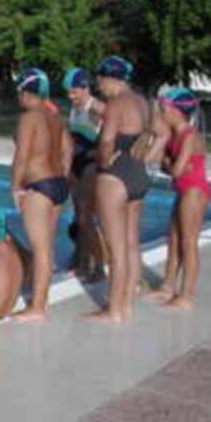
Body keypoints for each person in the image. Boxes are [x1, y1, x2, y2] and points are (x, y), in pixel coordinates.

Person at [87, 55, 155, 323]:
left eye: (99, 82)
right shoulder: (142, 102)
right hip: (138, 173)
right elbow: (150, 134)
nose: (99, 88)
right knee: (130, 244)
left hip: (115, 177)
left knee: (116, 250)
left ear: (108, 78)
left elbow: (106, 140)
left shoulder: (117, 103)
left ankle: (113, 310)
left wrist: (104, 162)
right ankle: (125, 305)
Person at [9, 68, 72, 322]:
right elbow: (68, 149)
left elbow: (22, 155)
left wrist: (15, 187)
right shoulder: (54, 116)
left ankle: (37, 307)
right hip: (57, 185)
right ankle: (37, 295)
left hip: (39, 187)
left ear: (25, 92)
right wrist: (62, 175)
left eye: (18, 91)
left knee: (40, 249)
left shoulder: (29, 117)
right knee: (45, 246)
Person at [147, 88, 211, 310]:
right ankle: (167, 288)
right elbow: (164, 163)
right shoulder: (173, 134)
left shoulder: (190, 135)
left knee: (188, 242)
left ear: (176, 111)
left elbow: (174, 169)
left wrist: (170, 165)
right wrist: (170, 164)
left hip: (195, 192)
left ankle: (186, 296)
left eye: (164, 108)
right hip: (183, 190)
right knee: (174, 240)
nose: (161, 112)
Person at [63, 67, 107, 282]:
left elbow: (111, 140)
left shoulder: (98, 109)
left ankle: (98, 266)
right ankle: (81, 261)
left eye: (74, 92)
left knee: (85, 217)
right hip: (76, 166)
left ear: (85, 88)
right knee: (78, 217)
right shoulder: (75, 108)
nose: (70, 96)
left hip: (91, 166)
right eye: (68, 92)